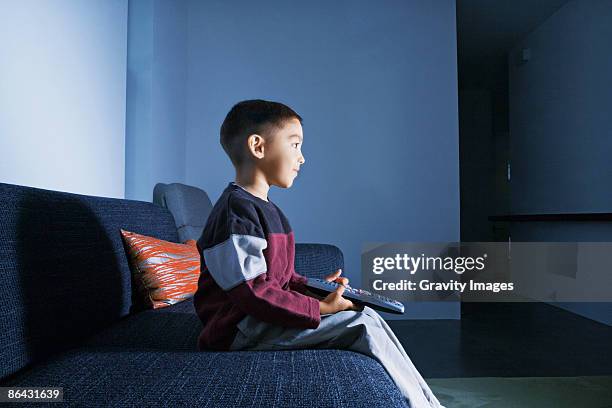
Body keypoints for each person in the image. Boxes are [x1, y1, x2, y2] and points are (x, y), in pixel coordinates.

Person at [193, 99, 444, 408]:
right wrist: (321, 309)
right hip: (239, 330)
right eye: (295, 144)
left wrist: (313, 287)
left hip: (256, 320)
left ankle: (429, 402)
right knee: (362, 324)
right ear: (258, 146)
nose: (302, 157)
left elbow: (280, 278)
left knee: (368, 316)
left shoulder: (268, 209)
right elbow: (252, 291)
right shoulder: (235, 213)